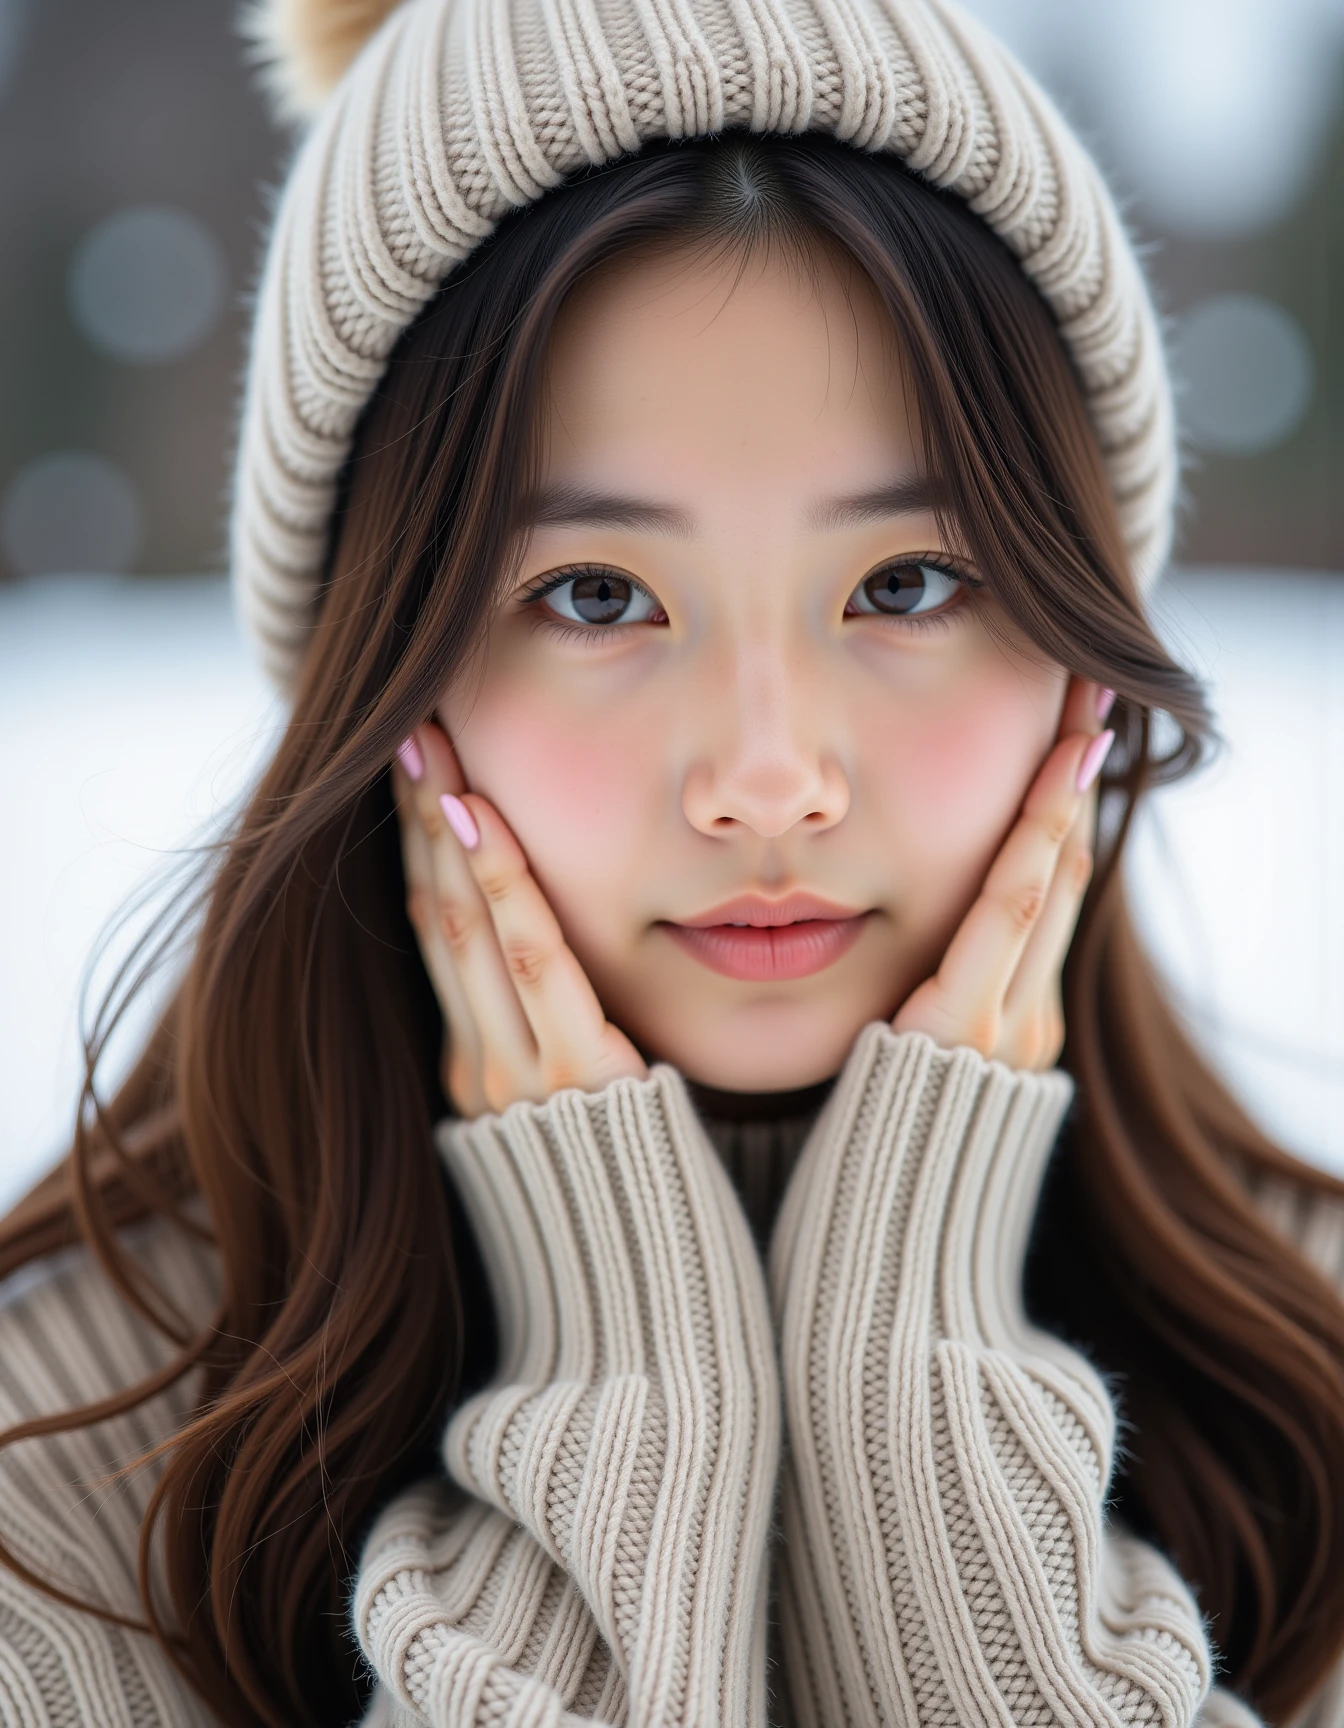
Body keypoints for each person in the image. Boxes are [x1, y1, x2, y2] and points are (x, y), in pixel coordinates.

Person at [1, 1, 1342, 1725]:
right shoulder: (67, 1493)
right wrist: (623, 1407)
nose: (769, 782)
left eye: (910, 585)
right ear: (382, 676)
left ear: (1083, 645)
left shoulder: (1310, 1394)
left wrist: (908, 1395)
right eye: (593, 595)